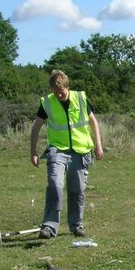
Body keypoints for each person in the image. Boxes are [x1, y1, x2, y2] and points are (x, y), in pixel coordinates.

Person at [29, 70, 104, 238]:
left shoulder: (81, 98)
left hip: (81, 150)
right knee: (55, 185)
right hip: (58, 150)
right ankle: (49, 226)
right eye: (55, 92)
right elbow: (36, 127)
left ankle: (76, 225)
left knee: (77, 190)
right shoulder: (47, 102)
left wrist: (98, 145)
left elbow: (93, 122)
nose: (59, 95)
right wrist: (33, 151)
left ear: (67, 87)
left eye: (61, 91)